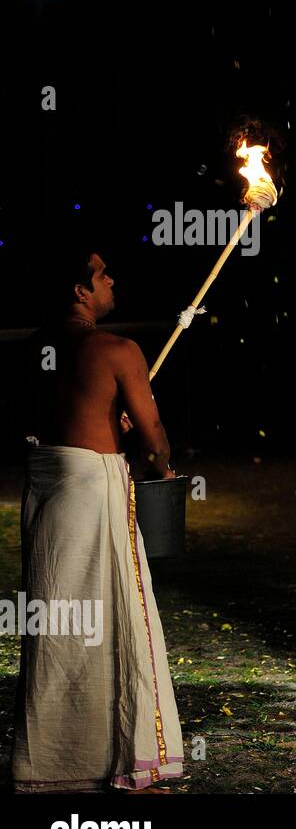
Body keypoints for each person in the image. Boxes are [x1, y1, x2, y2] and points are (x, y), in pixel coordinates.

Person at [12, 248, 184, 792]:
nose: (112, 280)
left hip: (47, 490)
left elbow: (46, 419)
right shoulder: (117, 349)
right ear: (81, 291)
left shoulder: (34, 348)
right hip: (90, 493)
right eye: (102, 274)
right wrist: (160, 459)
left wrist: (108, 416)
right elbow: (154, 438)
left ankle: (53, 762)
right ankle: (109, 757)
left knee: (58, 620)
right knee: (112, 616)